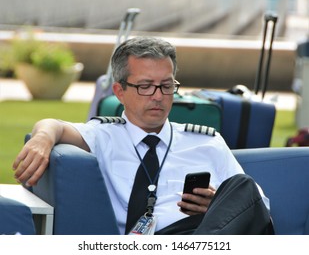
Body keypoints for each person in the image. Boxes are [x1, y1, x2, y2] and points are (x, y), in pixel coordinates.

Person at [13, 36, 273, 235]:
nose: (158, 96)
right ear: (119, 91)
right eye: (146, 86)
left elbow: (257, 207)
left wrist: (217, 205)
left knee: (242, 186)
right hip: (147, 240)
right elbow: (53, 124)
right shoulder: (104, 136)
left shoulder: (206, 142)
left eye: (166, 85)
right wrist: (42, 139)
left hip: (203, 233)